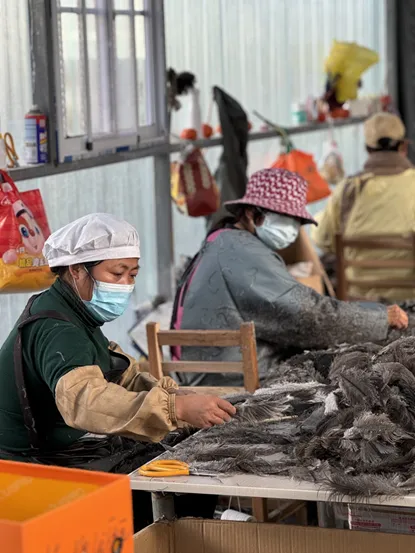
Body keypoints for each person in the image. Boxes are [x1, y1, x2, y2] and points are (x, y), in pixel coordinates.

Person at [0, 213, 235, 528]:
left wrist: (176, 396)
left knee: (176, 454)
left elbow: (119, 371)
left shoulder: (70, 311)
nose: (126, 285)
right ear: (76, 271)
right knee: (180, 478)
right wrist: (175, 408)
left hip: (53, 449)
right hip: (27, 467)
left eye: (132, 274)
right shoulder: (58, 329)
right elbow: (87, 402)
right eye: (117, 273)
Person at [171, 168, 408, 387]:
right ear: (253, 214)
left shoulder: (224, 240)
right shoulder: (243, 251)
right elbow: (308, 316)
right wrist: (378, 318)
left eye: (297, 223)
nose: (293, 230)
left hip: (208, 370)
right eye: (286, 219)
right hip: (228, 378)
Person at [312, 112, 415, 301]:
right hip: (411, 304)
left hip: (362, 310)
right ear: (404, 147)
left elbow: (323, 239)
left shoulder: (348, 190)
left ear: (367, 149)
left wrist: (318, 219)